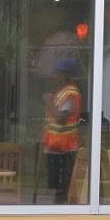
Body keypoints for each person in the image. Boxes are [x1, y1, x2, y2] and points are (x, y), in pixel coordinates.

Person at [42, 56, 82, 204]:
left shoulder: (70, 94)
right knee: (56, 186)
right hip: (55, 146)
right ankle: (58, 207)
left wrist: (48, 102)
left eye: (57, 73)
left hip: (64, 147)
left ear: (65, 75)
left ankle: (61, 208)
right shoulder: (62, 92)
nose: (54, 76)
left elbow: (60, 118)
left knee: (62, 186)